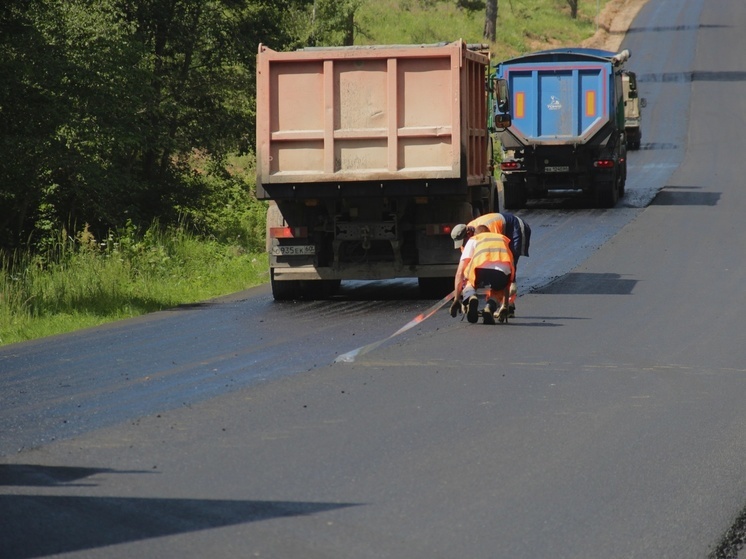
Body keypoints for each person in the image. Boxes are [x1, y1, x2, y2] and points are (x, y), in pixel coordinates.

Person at [451, 211, 531, 317]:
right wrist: (464, 296)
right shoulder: (468, 236)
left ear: (469, 234)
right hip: (500, 265)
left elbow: (495, 259)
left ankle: (507, 305)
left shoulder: (489, 231)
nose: (463, 245)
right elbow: (468, 266)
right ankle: (494, 304)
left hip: (515, 228)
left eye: (464, 241)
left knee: (504, 262)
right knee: (502, 272)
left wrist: (464, 293)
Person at [450, 225, 515, 325]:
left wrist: (457, 298)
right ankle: (489, 307)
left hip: (479, 268)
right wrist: (505, 304)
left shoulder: (474, 239)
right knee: (499, 289)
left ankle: (471, 296)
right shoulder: (502, 239)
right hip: (503, 272)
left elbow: (460, 272)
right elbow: (508, 276)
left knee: (467, 279)